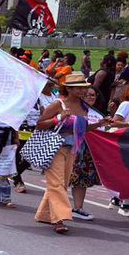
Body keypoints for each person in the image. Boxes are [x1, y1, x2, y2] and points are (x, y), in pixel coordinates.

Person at [34, 73, 93, 234]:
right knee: (57, 184)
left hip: (73, 150)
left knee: (62, 184)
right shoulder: (58, 104)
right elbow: (39, 124)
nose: (83, 91)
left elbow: (82, 129)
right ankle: (60, 219)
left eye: (84, 88)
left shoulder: (83, 106)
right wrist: (58, 118)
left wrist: (99, 124)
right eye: (78, 88)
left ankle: (44, 214)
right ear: (68, 88)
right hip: (55, 148)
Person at [67, 85, 105, 222]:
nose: (90, 97)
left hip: (89, 152)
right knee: (66, 177)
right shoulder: (75, 108)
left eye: (93, 95)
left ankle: (78, 207)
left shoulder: (98, 114)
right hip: (73, 148)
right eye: (87, 94)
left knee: (81, 180)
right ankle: (55, 206)